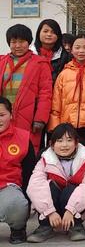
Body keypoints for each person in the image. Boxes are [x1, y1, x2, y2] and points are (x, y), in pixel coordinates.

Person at [26, 123, 85, 242]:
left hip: (75, 208)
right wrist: (49, 212)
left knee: (72, 187)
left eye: (69, 140)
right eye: (59, 141)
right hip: (50, 208)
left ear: (76, 143)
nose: (64, 145)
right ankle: (45, 226)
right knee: (49, 186)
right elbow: (35, 185)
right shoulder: (45, 159)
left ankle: (76, 226)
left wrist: (71, 209)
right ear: (52, 145)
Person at [0, 24, 52, 153]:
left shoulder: (40, 63)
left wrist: (40, 119)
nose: (17, 45)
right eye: (13, 42)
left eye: (21, 41)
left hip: (28, 118)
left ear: (29, 42)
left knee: (25, 153)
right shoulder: (2, 62)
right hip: (4, 116)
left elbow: (45, 93)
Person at [0, 96, 35, 245]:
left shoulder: (23, 138)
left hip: (9, 187)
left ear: (11, 115)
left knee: (16, 204)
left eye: (1, 115)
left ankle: (18, 228)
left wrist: (29, 203)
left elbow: (30, 175)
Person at [33, 19, 71, 84]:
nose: (49, 34)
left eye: (53, 32)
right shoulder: (30, 54)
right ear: (38, 33)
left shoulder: (66, 56)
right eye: (45, 31)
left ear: (58, 35)